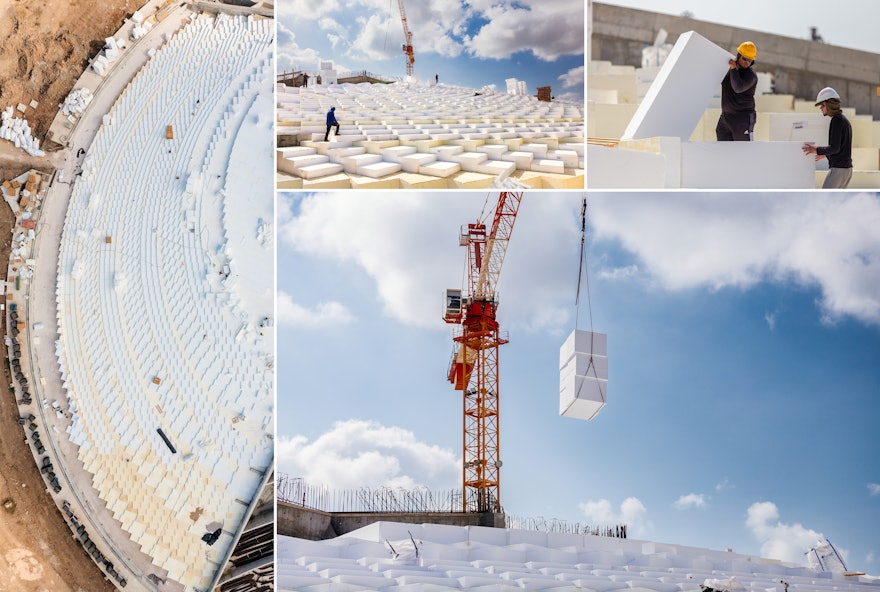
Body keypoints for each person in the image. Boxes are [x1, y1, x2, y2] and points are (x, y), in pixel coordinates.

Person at [802, 87, 852, 189]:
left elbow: (835, 148)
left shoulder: (836, 120)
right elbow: (841, 148)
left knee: (824, 198)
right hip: (847, 170)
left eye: (822, 105)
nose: (821, 108)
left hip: (839, 169)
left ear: (830, 104)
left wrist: (816, 150)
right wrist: (826, 154)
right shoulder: (843, 120)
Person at [716, 41, 758, 141]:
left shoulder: (751, 76)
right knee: (722, 151)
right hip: (726, 117)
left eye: (750, 60)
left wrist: (734, 69)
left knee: (744, 152)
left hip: (743, 119)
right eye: (744, 58)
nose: (747, 62)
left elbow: (738, 88)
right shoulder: (729, 69)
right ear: (739, 56)